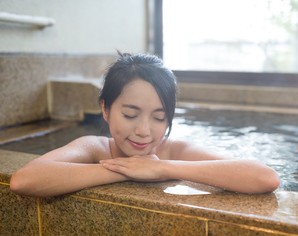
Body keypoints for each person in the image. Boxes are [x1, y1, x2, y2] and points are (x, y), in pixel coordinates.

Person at [10, 52, 279, 197]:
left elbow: (264, 177)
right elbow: (24, 180)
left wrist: (161, 167)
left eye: (159, 117)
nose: (144, 130)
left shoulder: (174, 152)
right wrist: (128, 170)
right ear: (105, 108)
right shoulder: (94, 148)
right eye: (130, 114)